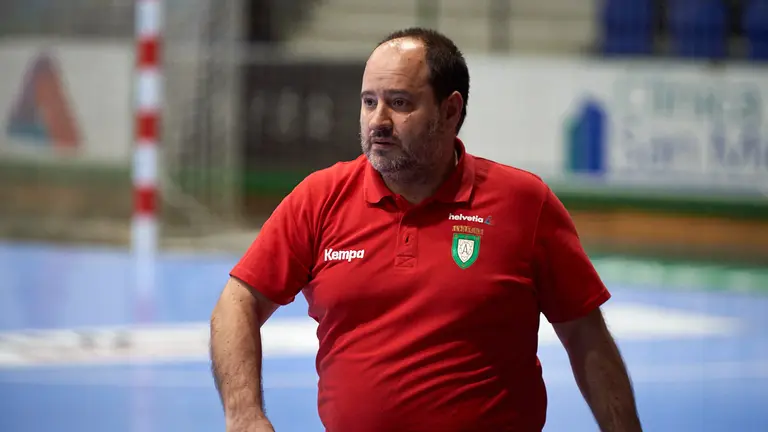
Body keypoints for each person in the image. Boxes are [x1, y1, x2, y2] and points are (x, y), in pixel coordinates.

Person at [210, 27, 643, 432]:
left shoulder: (523, 203)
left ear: (450, 110)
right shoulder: (320, 198)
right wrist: (245, 416)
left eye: (399, 103)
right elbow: (238, 301)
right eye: (368, 101)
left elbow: (586, 336)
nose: (377, 120)